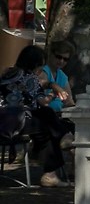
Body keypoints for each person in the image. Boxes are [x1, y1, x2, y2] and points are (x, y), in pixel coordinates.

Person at [2, 45, 73, 183]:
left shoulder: (8, 74)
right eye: (40, 65)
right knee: (47, 114)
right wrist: (53, 94)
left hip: (3, 122)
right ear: (34, 64)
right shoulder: (30, 77)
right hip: (18, 122)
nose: (41, 69)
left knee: (47, 131)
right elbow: (43, 102)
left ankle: (50, 173)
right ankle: (64, 137)